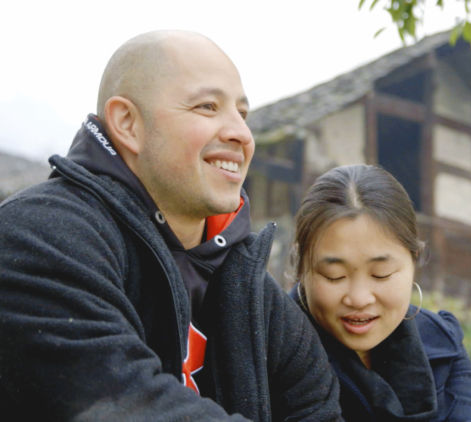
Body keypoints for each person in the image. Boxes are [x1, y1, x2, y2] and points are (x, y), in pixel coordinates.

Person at [0, 30, 342, 421]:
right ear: (128, 123)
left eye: (242, 114)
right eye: (207, 107)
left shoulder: (251, 288)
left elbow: (318, 408)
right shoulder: (39, 237)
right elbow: (121, 406)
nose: (242, 134)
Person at [289, 164, 471, 421]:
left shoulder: (442, 343)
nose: (359, 299)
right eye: (334, 276)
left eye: (381, 274)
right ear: (300, 266)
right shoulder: (271, 352)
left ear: (414, 260)